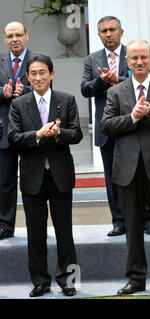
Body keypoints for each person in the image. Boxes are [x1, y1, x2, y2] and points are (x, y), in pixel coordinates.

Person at [100, 40, 150, 296]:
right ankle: (136, 279)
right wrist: (133, 117)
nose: (138, 62)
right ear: (127, 61)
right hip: (127, 169)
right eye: (134, 58)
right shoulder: (115, 92)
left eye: (143, 57)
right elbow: (107, 125)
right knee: (133, 227)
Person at [8, 54, 83, 297]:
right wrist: (38, 135)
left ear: (52, 74)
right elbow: (13, 138)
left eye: (43, 73)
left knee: (65, 233)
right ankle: (40, 281)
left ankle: (69, 281)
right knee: (35, 233)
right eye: (33, 74)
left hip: (60, 175)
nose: (38, 77)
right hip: (33, 178)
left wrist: (58, 132)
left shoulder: (67, 99)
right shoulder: (18, 104)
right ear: (27, 77)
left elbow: (77, 134)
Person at [81, 16, 150, 237]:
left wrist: (116, 80)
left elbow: (143, 78)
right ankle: (119, 221)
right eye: (103, 31)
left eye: (112, 29)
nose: (108, 34)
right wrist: (101, 81)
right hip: (108, 128)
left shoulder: (133, 54)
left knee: (141, 173)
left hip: (135, 125)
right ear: (99, 35)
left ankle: (148, 220)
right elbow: (85, 89)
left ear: (122, 32)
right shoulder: (91, 60)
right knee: (113, 178)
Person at [0, 21, 34, 240]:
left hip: (31, 130)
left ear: (26, 36)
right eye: (10, 36)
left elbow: (47, 89)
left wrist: (27, 91)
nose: (14, 39)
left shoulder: (38, 59)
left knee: (33, 180)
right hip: (4, 131)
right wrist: (4, 93)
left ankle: (36, 225)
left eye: (18, 35)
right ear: (5, 39)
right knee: (5, 181)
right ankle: (5, 224)